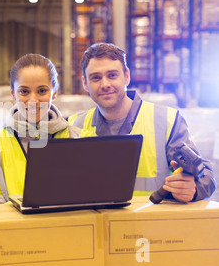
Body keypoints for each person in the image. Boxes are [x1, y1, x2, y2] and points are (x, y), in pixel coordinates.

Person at [68, 42, 216, 202]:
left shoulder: (166, 121)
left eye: (112, 75)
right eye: (96, 78)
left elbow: (205, 176)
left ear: (126, 76)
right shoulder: (74, 125)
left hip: (149, 224)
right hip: (95, 224)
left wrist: (193, 188)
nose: (105, 84)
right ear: (85, 83)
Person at [0, 54, 81, 205]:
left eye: (42, 91)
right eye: (24, 92)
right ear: (13, 94)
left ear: (54, 92)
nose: (33, 101)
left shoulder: (79, 140)